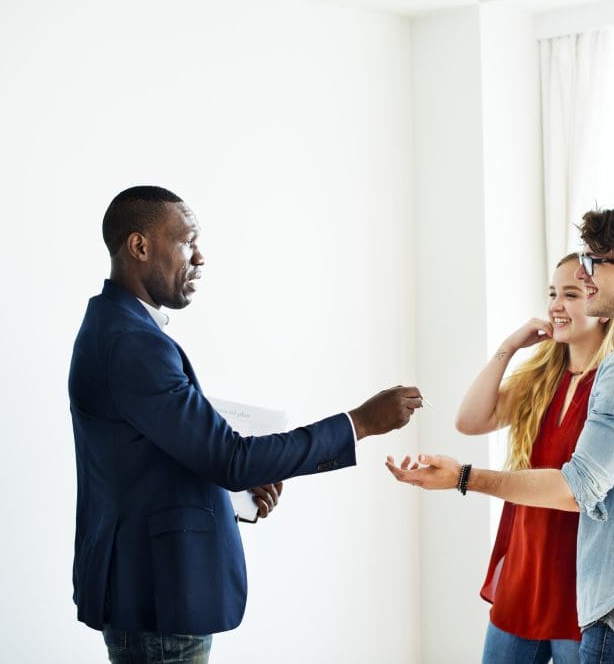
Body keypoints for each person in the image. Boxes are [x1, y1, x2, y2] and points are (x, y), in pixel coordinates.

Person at [70, 185, 423, 663]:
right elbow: (231, 458)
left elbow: (149, 460)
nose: (200, 257)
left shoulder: (119, 328)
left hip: (153, 595)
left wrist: (231, 494)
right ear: (139, 246)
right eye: (187, 241)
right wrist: (358, 423)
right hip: (157, 603)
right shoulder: (133, 342)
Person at [388, 201, 614, 664]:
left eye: (590, 271)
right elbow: (469, 421)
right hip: (568, 578)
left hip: (601, 589)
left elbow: (578, 489)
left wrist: (464, 477)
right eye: (556, 291)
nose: (583, 281)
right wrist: (509, 346)